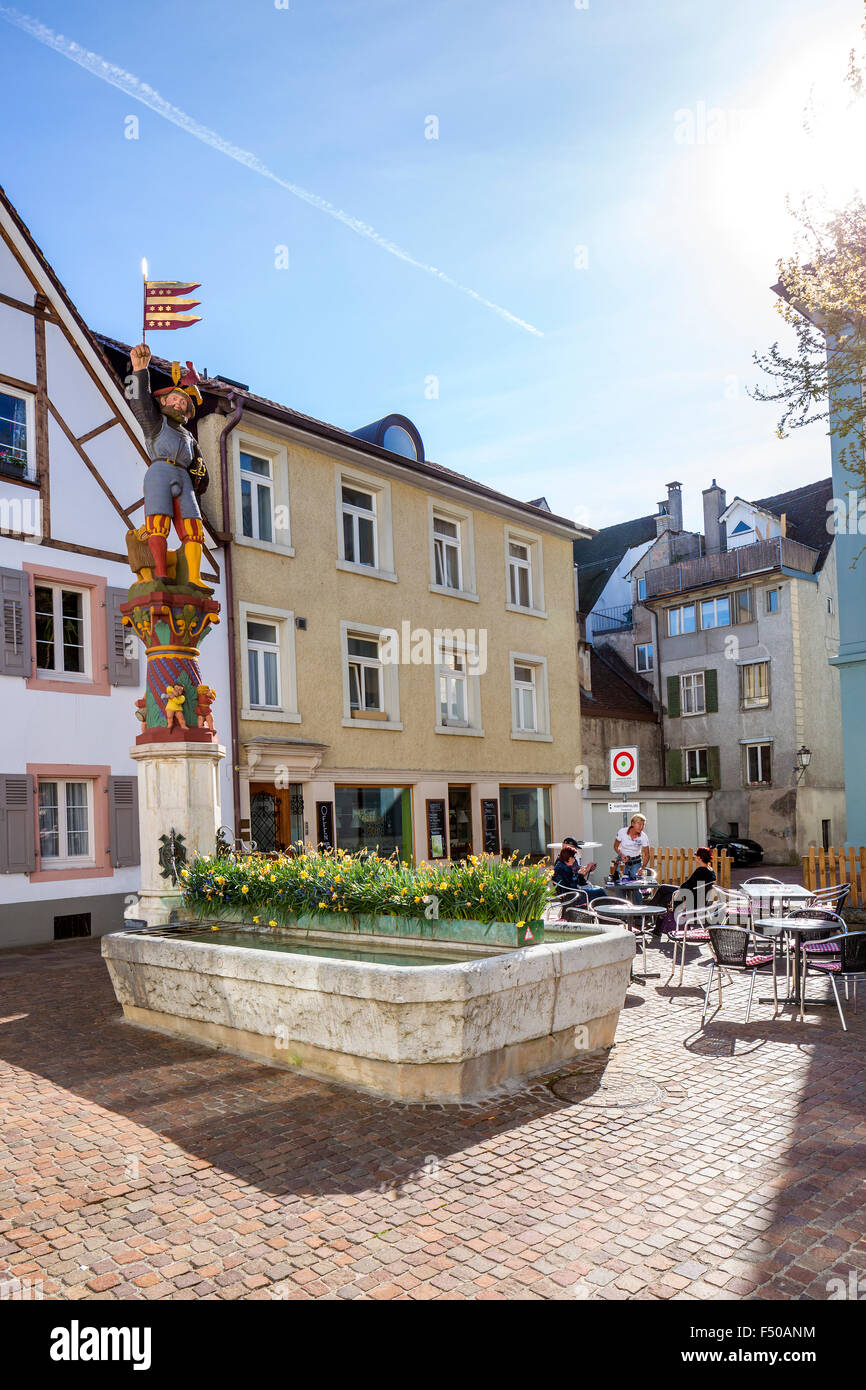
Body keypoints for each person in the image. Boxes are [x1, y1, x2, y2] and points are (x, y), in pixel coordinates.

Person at [613, 814, 650, 880]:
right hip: (622, 861)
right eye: (639, 824)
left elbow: (647, 855)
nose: (641, 827)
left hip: (636, 862)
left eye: (643, 824)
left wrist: (643, 868)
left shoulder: (644, 837)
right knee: (618, 883)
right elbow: (615, 846)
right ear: (632, 823)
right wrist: (621, 855)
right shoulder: (622, 832)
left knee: (636, 885)